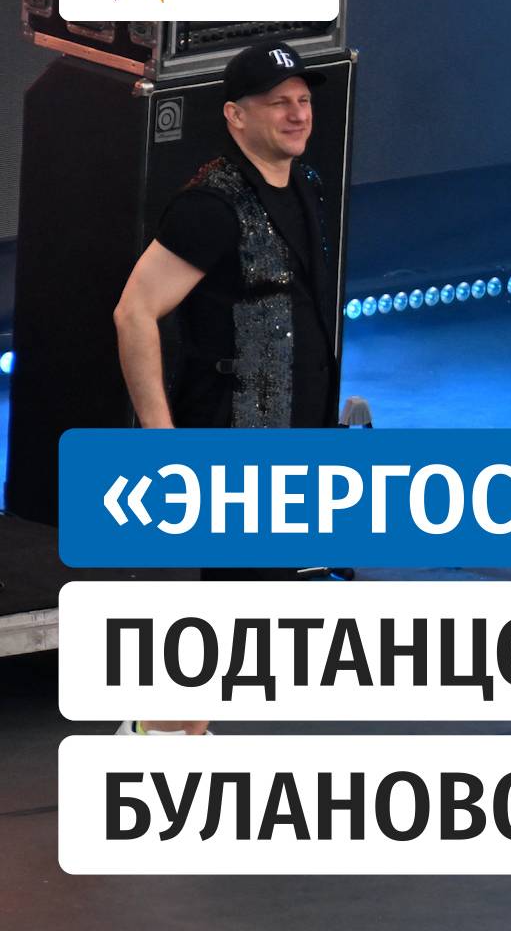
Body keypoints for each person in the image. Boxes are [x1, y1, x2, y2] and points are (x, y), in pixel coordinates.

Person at [110, 41, 343, 736]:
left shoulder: (304, 184)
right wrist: (160, 440)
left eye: (302, 101)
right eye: (278, 104)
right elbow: (134, 312)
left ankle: (182, 738)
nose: (297, 114)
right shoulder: (211, 206)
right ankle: (154, 741)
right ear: (236, 116)